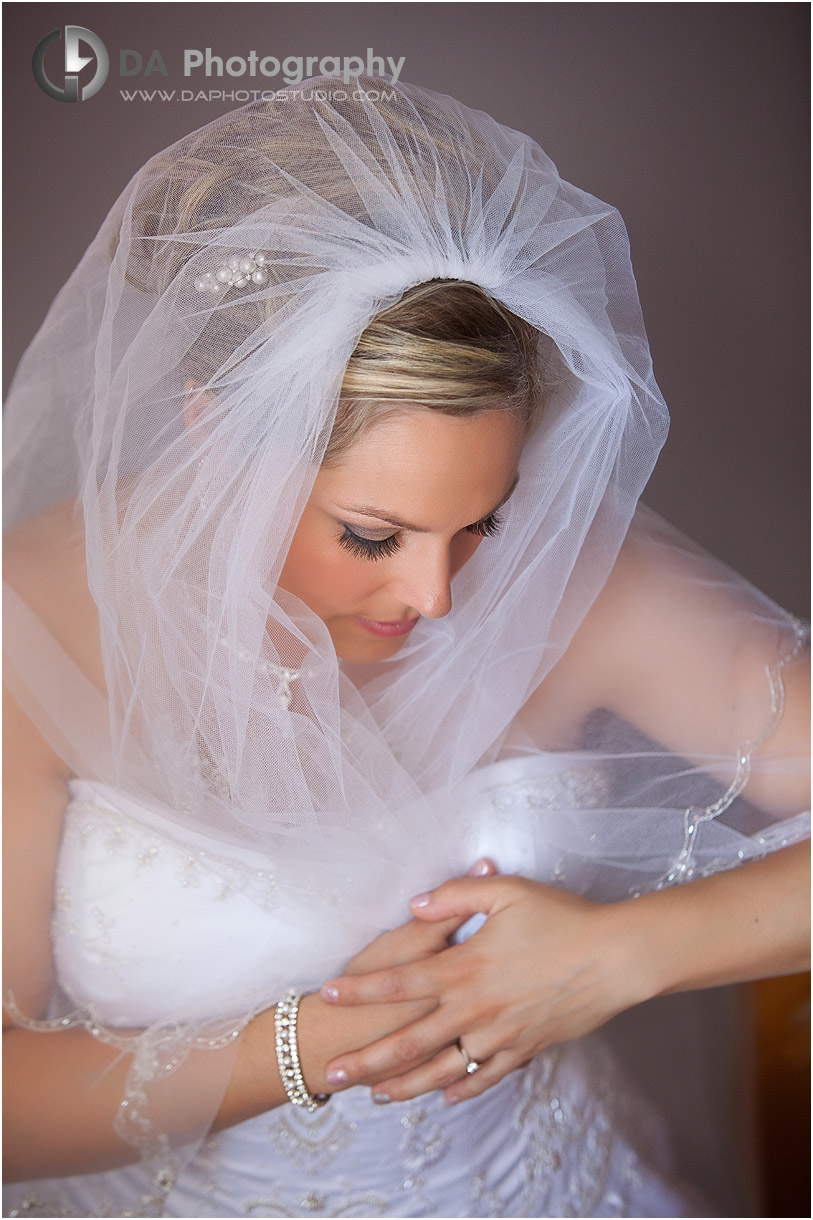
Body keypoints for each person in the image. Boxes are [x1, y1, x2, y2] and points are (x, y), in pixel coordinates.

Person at [3, 77, 809, 1219]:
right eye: (371, 534)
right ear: (215, 431)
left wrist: (623, 954)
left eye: (483, 522)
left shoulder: (580, 581)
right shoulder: (30, 622)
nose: (436, 594)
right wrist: (301, 1048)